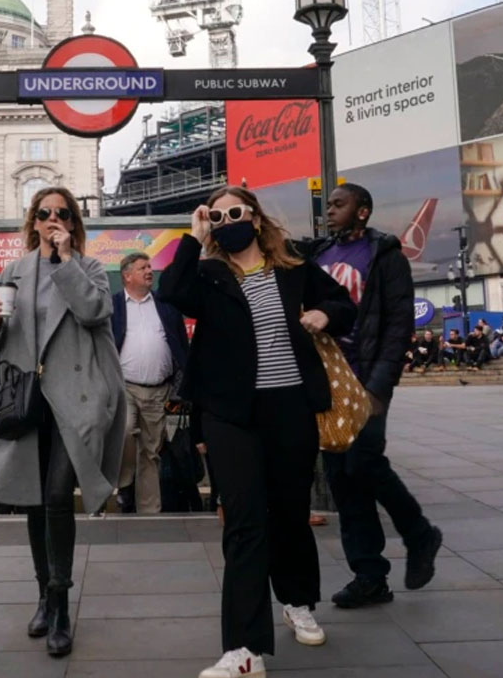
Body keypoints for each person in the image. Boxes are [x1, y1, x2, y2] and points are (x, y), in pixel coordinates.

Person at [160, 186, 356, 678]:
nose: (228, 219)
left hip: (289, 407)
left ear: (254, 216)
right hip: (230, 413)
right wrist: (194, 234)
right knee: (245, 521)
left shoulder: (294, 271)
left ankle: (296, 600)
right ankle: (244, 650)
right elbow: (171, 292)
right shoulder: (209, 275)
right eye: (218, 214)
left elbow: (344, 304)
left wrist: (324, 314)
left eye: (235, 212)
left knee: (289, 514)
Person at [0, 186, 125, 658]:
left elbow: (94, 311)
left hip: (75, 399)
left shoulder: (89, 269)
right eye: (44, 213)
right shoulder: (14, 271)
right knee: (34, 499)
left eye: (62, 214)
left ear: (73, 223)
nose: (52, 220)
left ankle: (61, 604)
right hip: (28, 399)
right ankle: (44, 593)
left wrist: (65, 263)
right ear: (33, 221)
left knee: (59, 494)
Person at [309, 183, 443, 611]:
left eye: (339, 204)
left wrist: (379, 387)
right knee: (342, 478)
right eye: (328, 204)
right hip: (328, 380)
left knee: (364, 462)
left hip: (365, 379)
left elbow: (398, 325)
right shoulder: (319, 254)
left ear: (362, 211)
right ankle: (369, 576)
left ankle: (420, 533)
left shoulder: (385, 256)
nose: (329, 210)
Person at [110, 251, 189, 514]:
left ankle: (148, 513)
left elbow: (180, 343)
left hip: (159, 390)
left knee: (151, 451)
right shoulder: (114, 306)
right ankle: (125, 483)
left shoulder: (166, 305)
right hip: (125, 387)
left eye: (150, 267)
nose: (149, 271)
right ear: (127, 275)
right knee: (125, 433)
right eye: (143, 267)